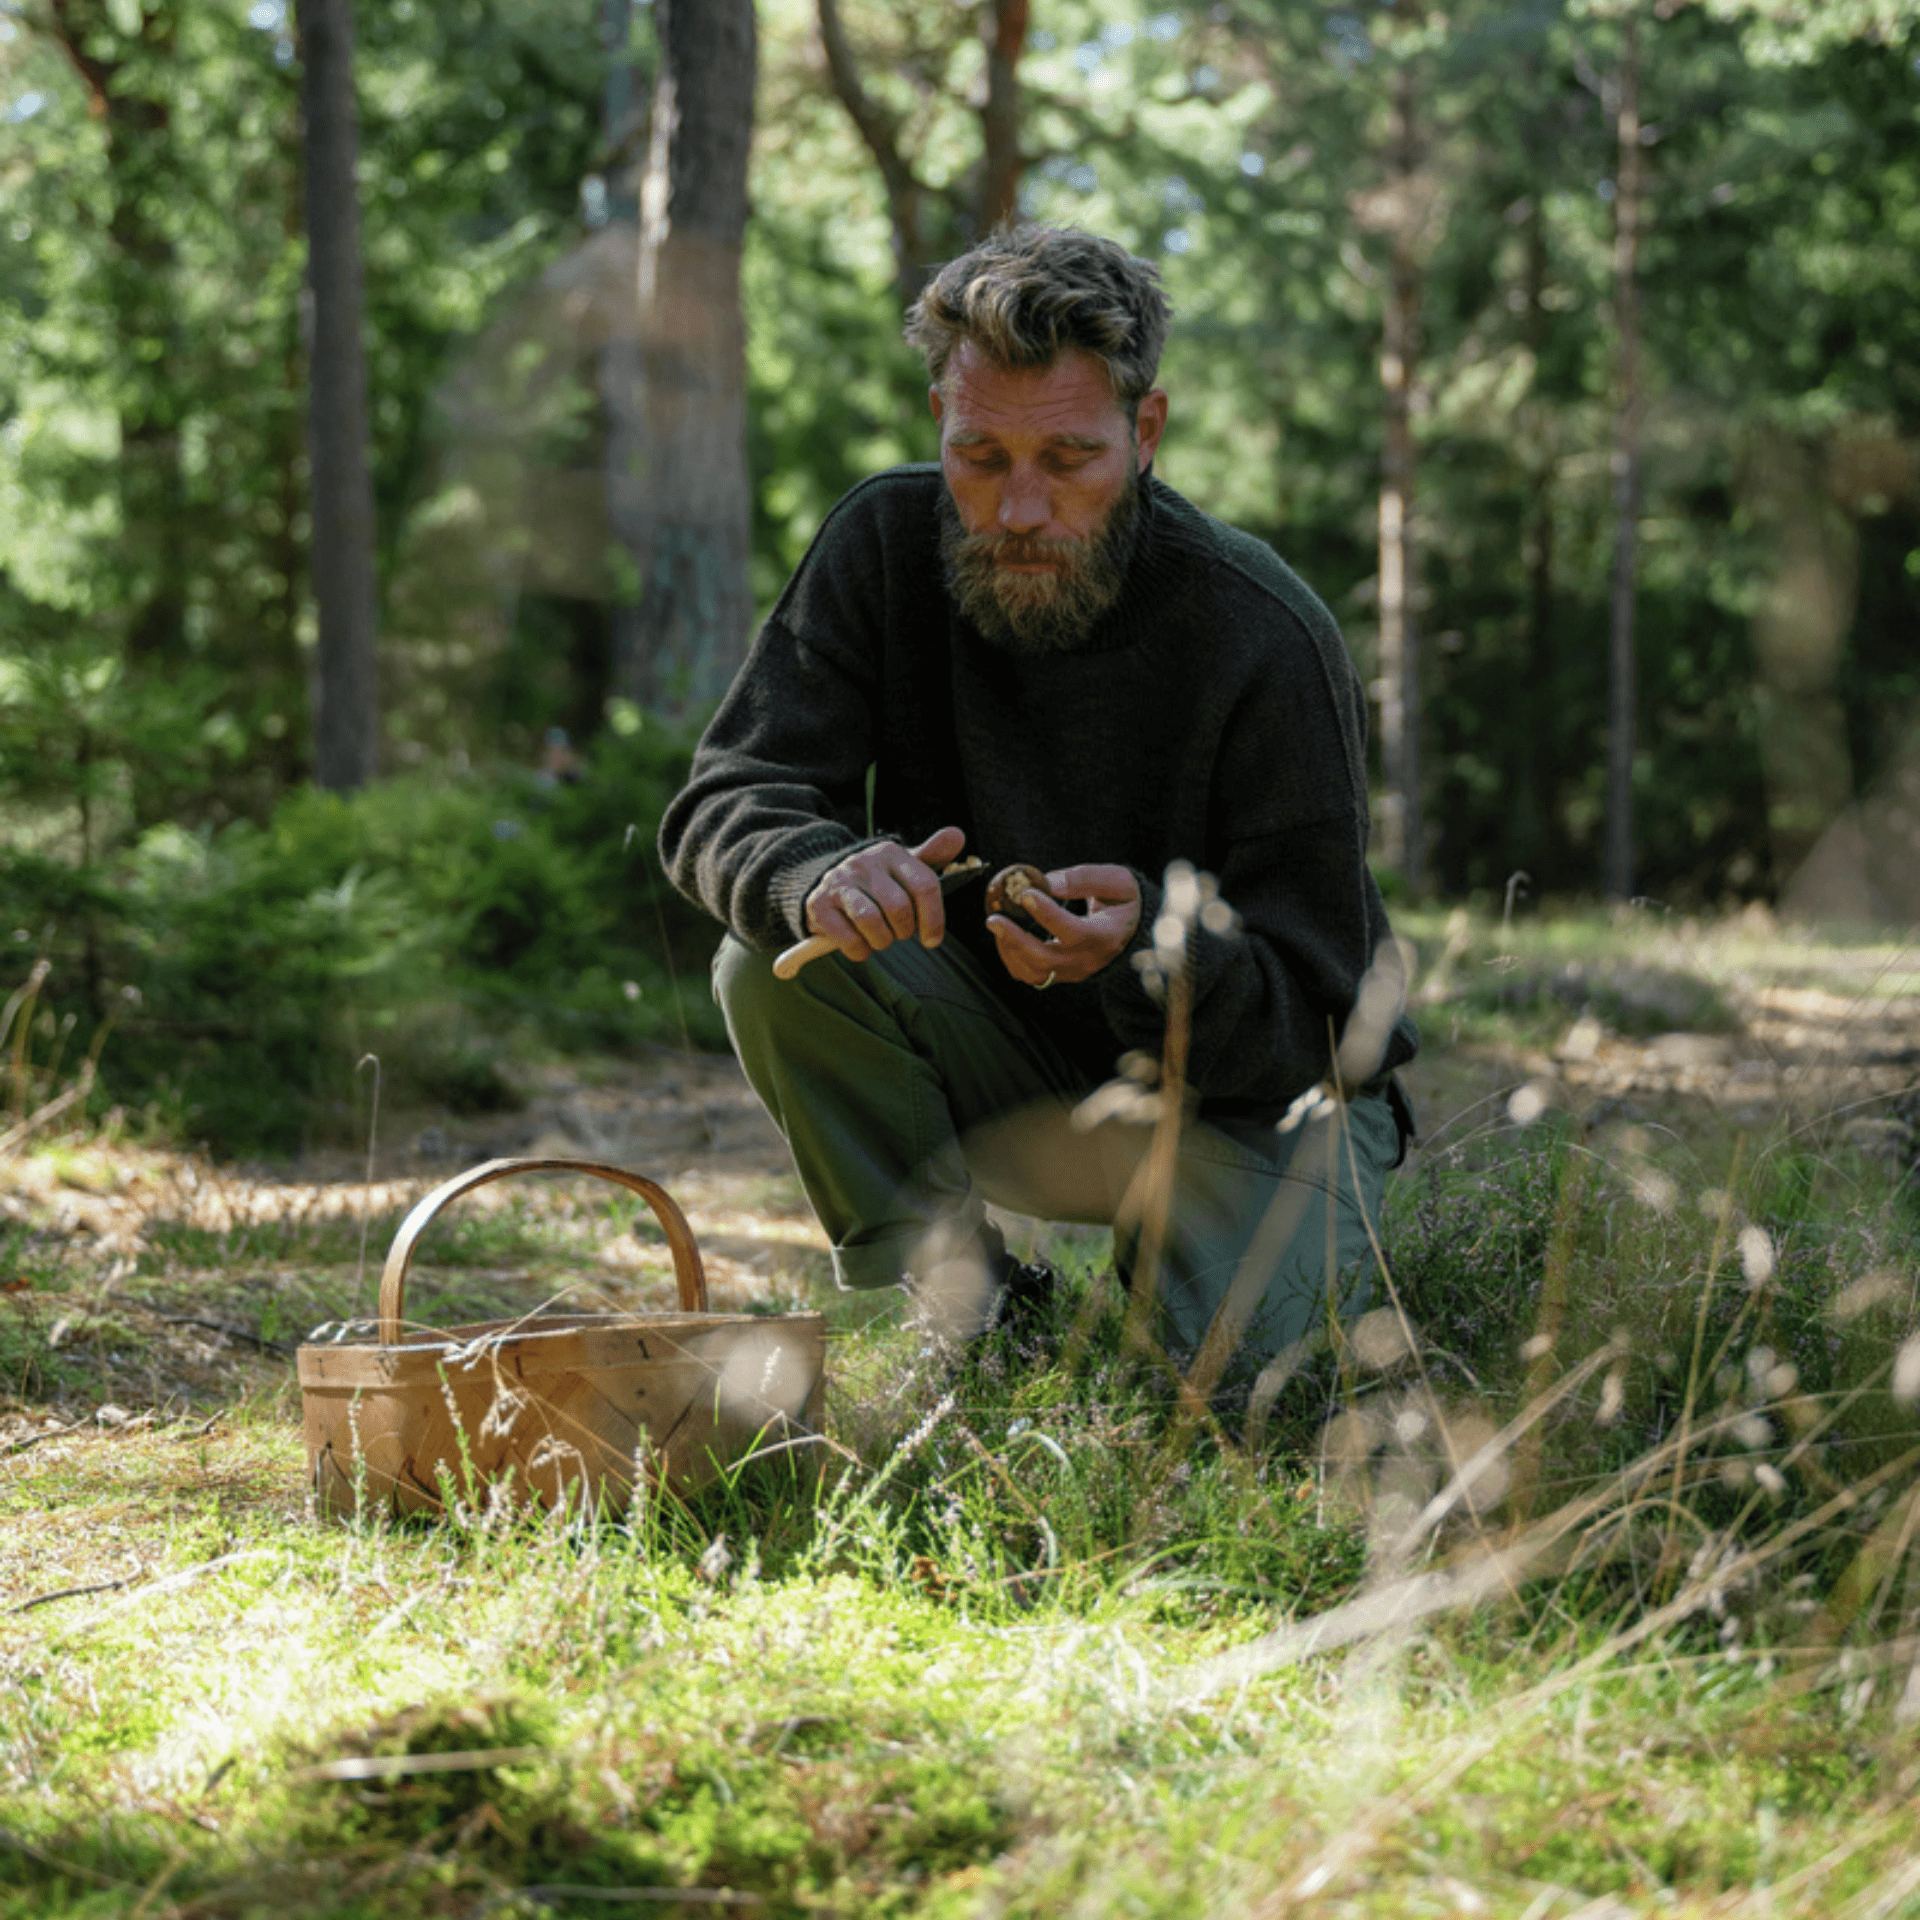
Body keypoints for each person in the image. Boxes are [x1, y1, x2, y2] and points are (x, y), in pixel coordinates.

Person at [659, 223, 1418, 1381]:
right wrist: (818, 876)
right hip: (1008, 1063)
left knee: (1231, 1390)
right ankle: (957, 1319)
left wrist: (1157, 955)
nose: (1018, 509)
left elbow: (1324, 1015)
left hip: (1255, 1096)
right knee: (768, 960)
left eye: (1068, 462)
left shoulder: (1262, 632)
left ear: (1144, 432)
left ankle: (1187, 1296)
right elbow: (729, 795)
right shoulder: (879, 544)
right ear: (940, 425)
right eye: (980, 457)